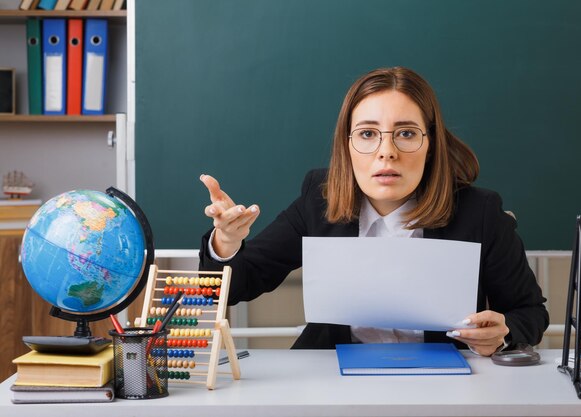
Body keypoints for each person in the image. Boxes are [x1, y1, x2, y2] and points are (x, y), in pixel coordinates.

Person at [199, 66, 549, 356]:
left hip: (448, 385)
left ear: (430, 144)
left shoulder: (480, 211)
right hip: (335, 383)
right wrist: (226, 242)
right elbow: (231, 288)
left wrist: (501, 333)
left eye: (406, 134)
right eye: (367, 134)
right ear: (347, 145)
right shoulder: (318, 200)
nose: (387, 152)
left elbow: (530, 312)